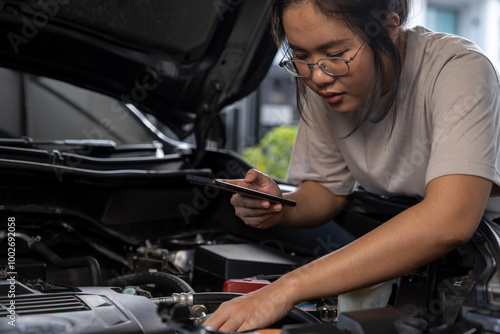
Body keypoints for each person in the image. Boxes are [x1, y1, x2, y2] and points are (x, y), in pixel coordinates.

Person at [203, 0, 500, 331]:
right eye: (301, 57)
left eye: (335, 54)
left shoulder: (458, 69)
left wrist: (286, 289)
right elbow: (327, 189)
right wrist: (281, 207)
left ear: (388, 28)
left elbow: (450, 220)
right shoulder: (326, 84)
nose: (317, 76)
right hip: (411, 256)